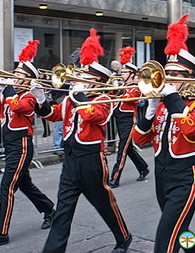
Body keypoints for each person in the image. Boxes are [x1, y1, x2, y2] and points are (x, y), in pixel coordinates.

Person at [32, 29, 131, 253]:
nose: (79, 79)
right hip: (71, 157)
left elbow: (95, 116)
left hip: (90, 159)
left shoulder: (103, 98)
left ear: (97, 82)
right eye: (81, 75)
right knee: (63, 208)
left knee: (103, 203)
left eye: (85, 77)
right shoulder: (73, 97)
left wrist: (80, 97)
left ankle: (123, 237)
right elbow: (54, 114)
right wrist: (40, 99)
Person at [133, 14, 195, 253]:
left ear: (189, 79)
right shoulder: (163, 103)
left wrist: (173, 98)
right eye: (166, 73)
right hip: (161, 173)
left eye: (175, 75)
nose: (167, 79)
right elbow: (139, 139)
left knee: (166, 238)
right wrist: (151, 110)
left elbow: (192, 130)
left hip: (185, 177)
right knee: (180, 233)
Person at [0, 40, 55, 247]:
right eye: (15, 73)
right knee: (25, 184)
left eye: (19, 75)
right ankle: (49, 210)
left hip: (21, 146)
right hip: (10, 144)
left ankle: (1, 232)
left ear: (28, 80)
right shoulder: (11, 94)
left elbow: (17, 106)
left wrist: (6, 88)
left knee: (7, 186)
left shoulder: (30, 97)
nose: (14, 76)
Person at [109, 46, 149, 188]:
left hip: (128, 121)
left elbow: (129, 98)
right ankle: (143, 167)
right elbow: (111, 97)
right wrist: (112, 88)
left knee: (122, 150)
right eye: (123, 71)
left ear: (132, 74)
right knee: (129, 148)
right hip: (119, 119)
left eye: (125, 72)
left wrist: (117, 89)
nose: (123, 74)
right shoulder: (122, 85)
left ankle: (114, 178)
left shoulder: (137, 87)